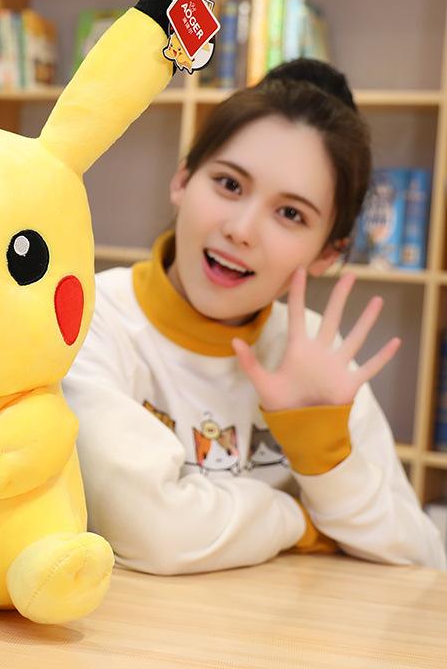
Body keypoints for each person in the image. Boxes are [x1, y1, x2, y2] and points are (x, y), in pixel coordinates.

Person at [61, 58, 447, 574]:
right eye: (229, 184)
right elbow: (149, 530)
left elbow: (422, 558)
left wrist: (325, 457)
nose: (241, 230)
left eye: (290, 214)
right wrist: (298, 524)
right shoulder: (88, 317)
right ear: (183, 180)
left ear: (328, 253)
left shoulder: (316, 351)